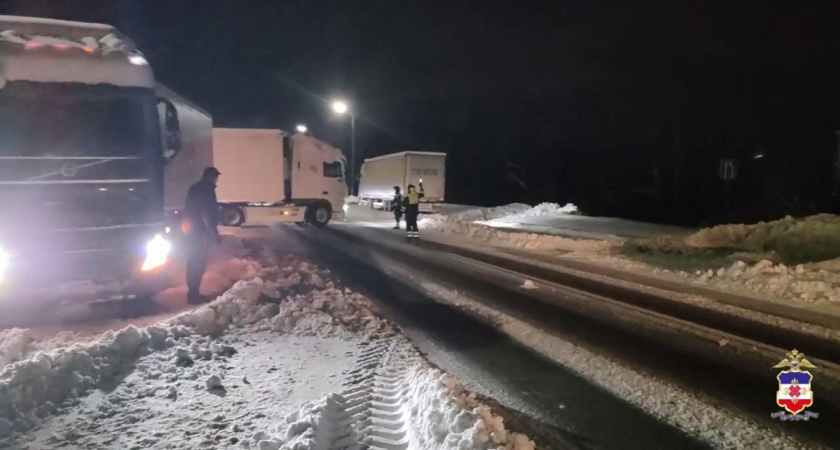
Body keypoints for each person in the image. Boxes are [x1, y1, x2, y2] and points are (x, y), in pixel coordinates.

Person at [182, 167, 222, 304]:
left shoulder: (194, 187)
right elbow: (207, 214)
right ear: (212, 176)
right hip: (199, 232)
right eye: (216, 176)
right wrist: (214, 234)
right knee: (198, 263)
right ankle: (194, 295)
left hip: (190, 231)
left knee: (192, 262)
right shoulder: (207, 189)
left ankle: (192, 292)